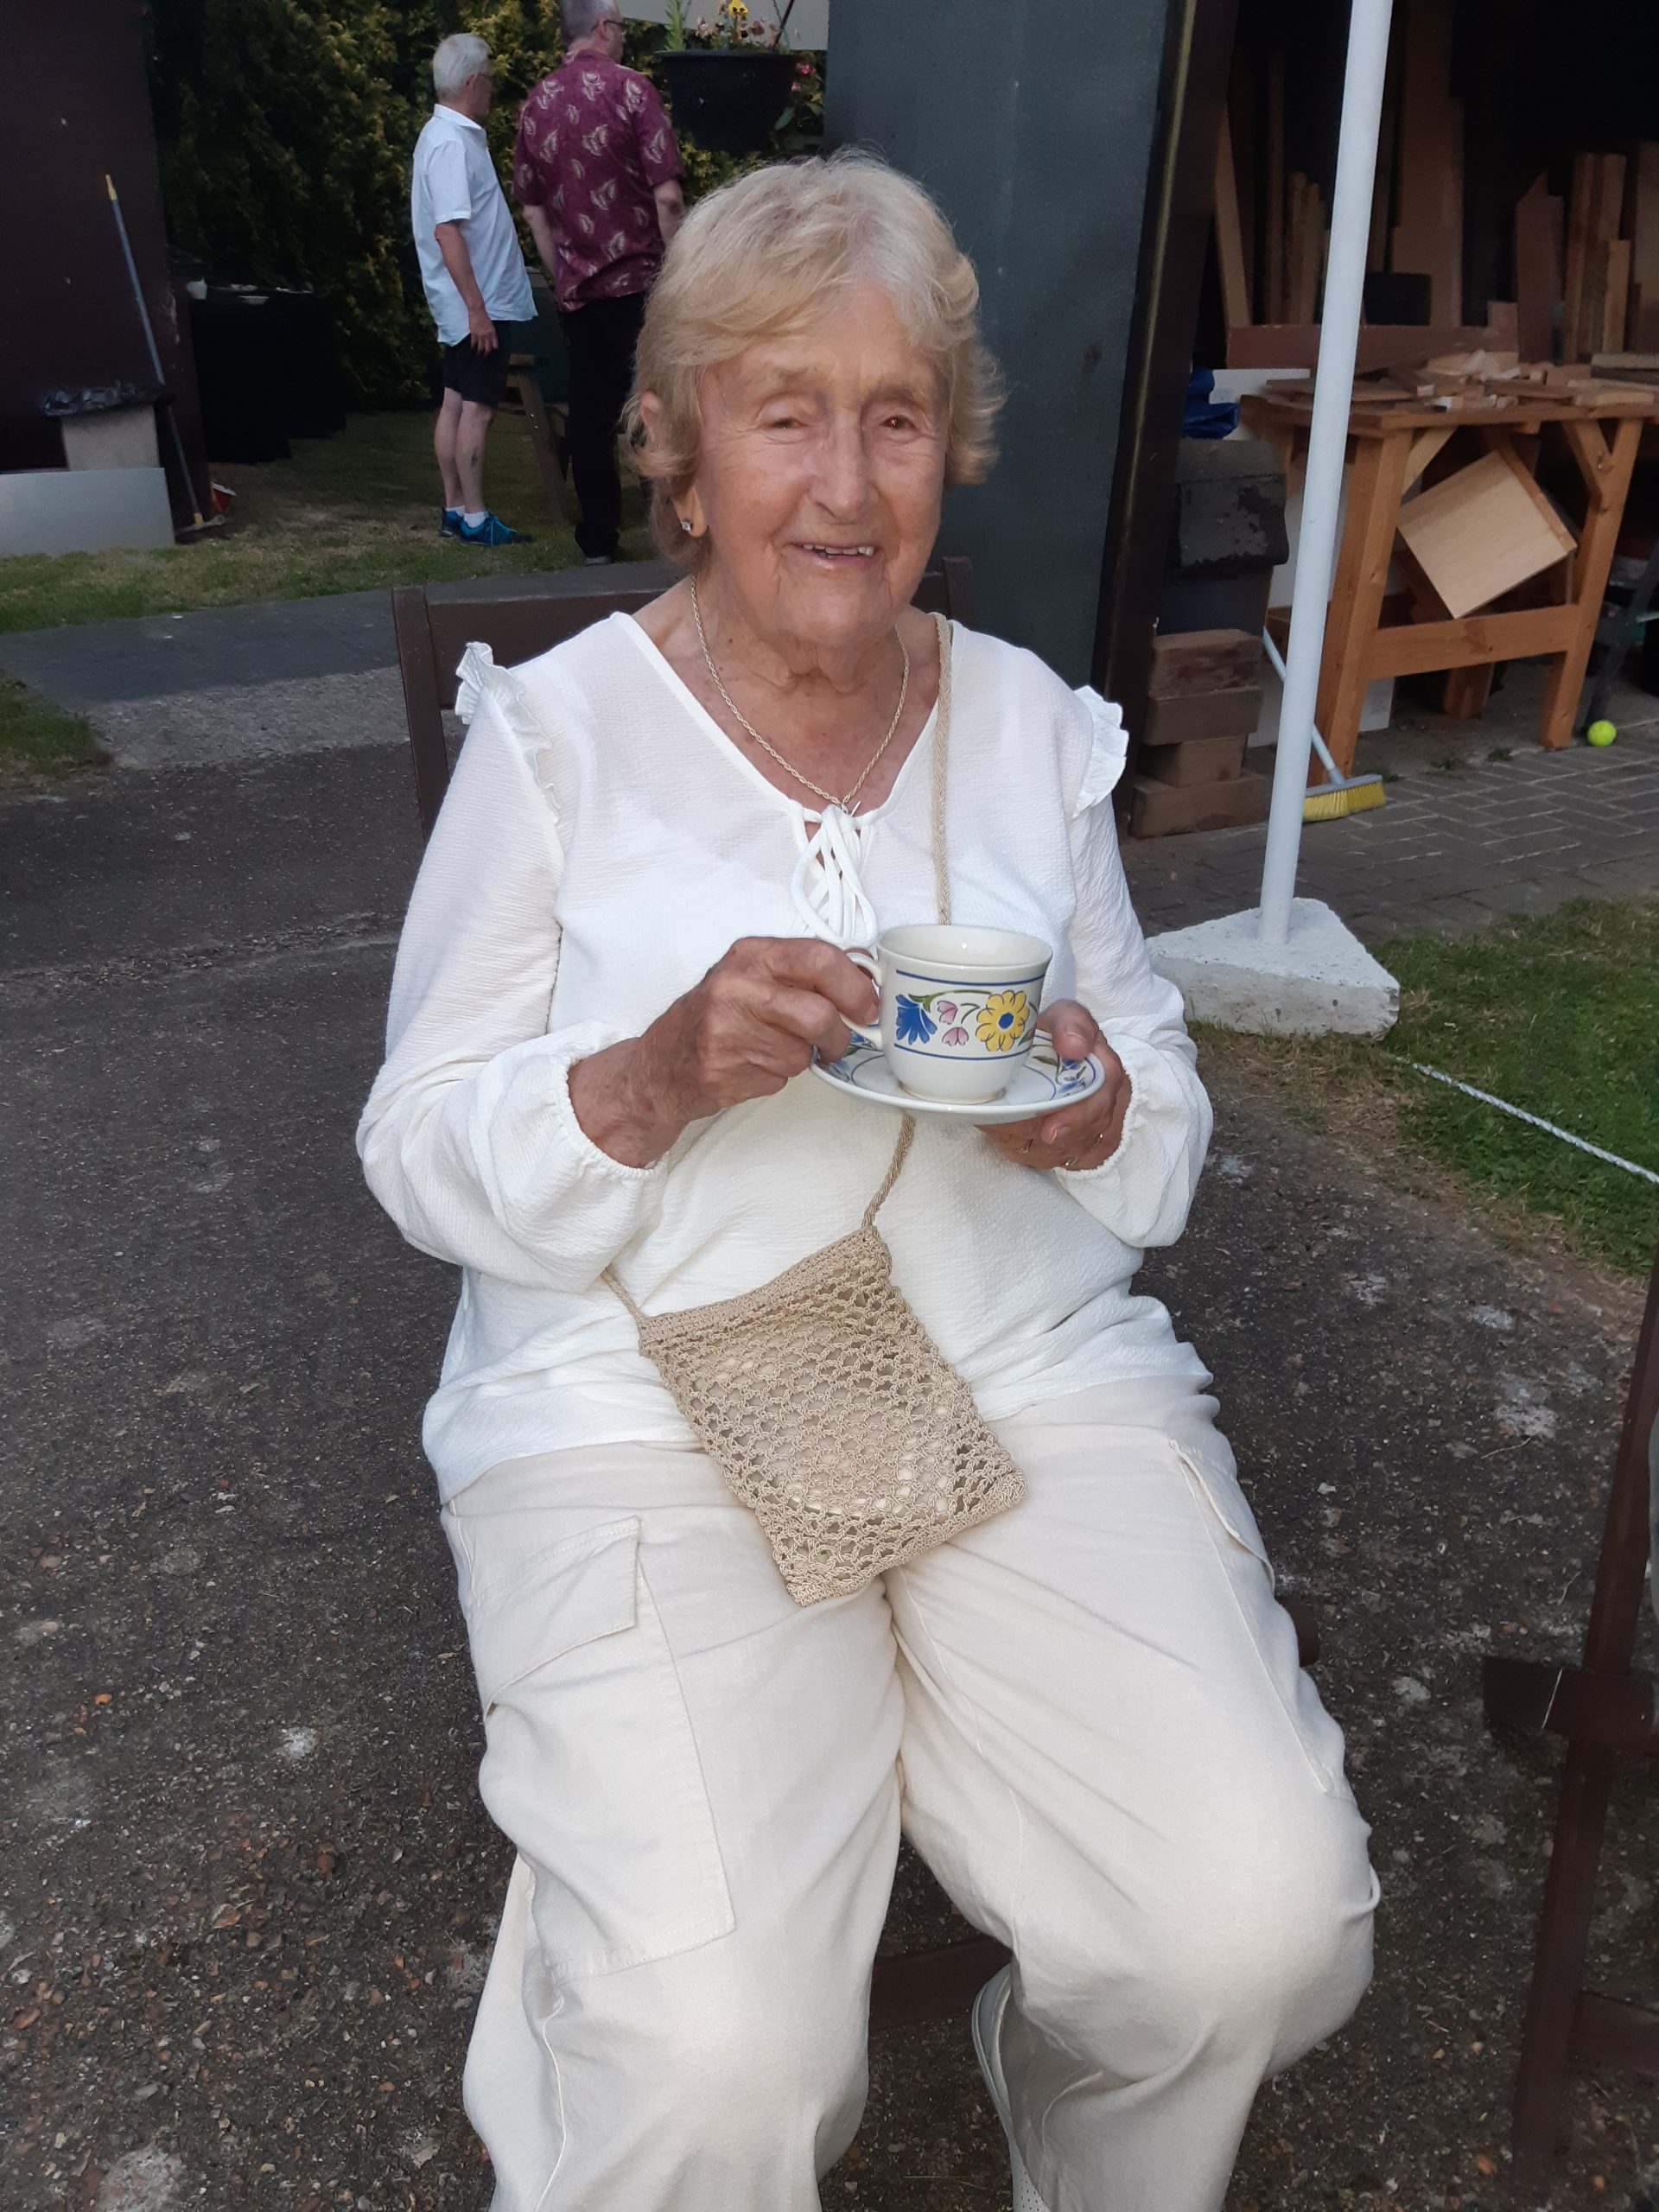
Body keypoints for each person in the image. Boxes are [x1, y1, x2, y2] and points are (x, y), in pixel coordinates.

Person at [358, 153, 1376, 2212]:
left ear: (950, 448)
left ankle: (1073, 2102)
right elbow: (416, 1132)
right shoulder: (555, 742)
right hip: (642, 1395)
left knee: (1260, 1926)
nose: (843, 479)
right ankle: (632, 1991)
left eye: (896, 415)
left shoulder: (1030, 728)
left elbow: (1157, 1099)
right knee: (714, 2053)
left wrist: (1092, 1111)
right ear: (681, 447)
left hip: (1016, 1366)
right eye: (784, 412)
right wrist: (647, 1075)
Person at [512, 0, 684, 564]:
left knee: (590, 414)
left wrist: (563, 273)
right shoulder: (633, 91)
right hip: (642, 284)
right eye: (622, 27)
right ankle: (673, 527)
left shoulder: (536, 103)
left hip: (580, 292)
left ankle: (598, 540)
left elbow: (533, 210)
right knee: (658, 405)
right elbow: (668, 198)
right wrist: (678, 270)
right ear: (604, 29)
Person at [410, 32, 534, 548]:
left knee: (456, 401)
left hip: (467, 301)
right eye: (489, 81)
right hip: (476, 302)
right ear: (472, 82)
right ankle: (476, 519)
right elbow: (448, 231)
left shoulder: (445, 136)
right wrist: (477, 310)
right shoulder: (450, 143)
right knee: (477, 408)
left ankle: (456, 510)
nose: (492, 91)